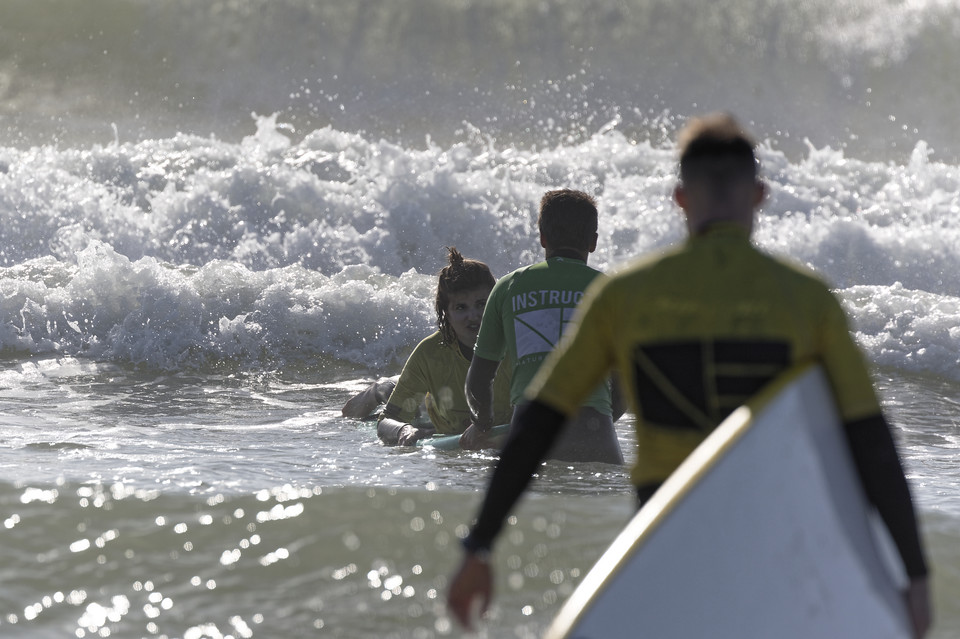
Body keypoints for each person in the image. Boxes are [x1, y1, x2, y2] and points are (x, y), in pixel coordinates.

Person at [446, 113, 931, 636]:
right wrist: (916, 575)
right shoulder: (808, 299)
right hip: (768, 532)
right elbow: (871, 441)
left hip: (667, 536)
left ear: (681, 198)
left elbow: (538, 421)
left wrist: (480, 546)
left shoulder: (625, 295)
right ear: (759, 195)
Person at [460, 189, 624, 464]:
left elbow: (478, 381)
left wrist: (483, 424)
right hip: (596, 440)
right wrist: (601, 418)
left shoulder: (508, 288)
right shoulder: (612, 292)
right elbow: (624, 388)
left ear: (542, 238)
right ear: (593, 242)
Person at [370, 247, 515, 446]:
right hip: (430, 414)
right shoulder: (429, 353)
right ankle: (380, 388)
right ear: (445, 313)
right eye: (461, 307)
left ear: (495, 303)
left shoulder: (517, 345)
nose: (473, 316)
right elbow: (385, 421)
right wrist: (404, 430)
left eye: (481, 304)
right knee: (374, 399)